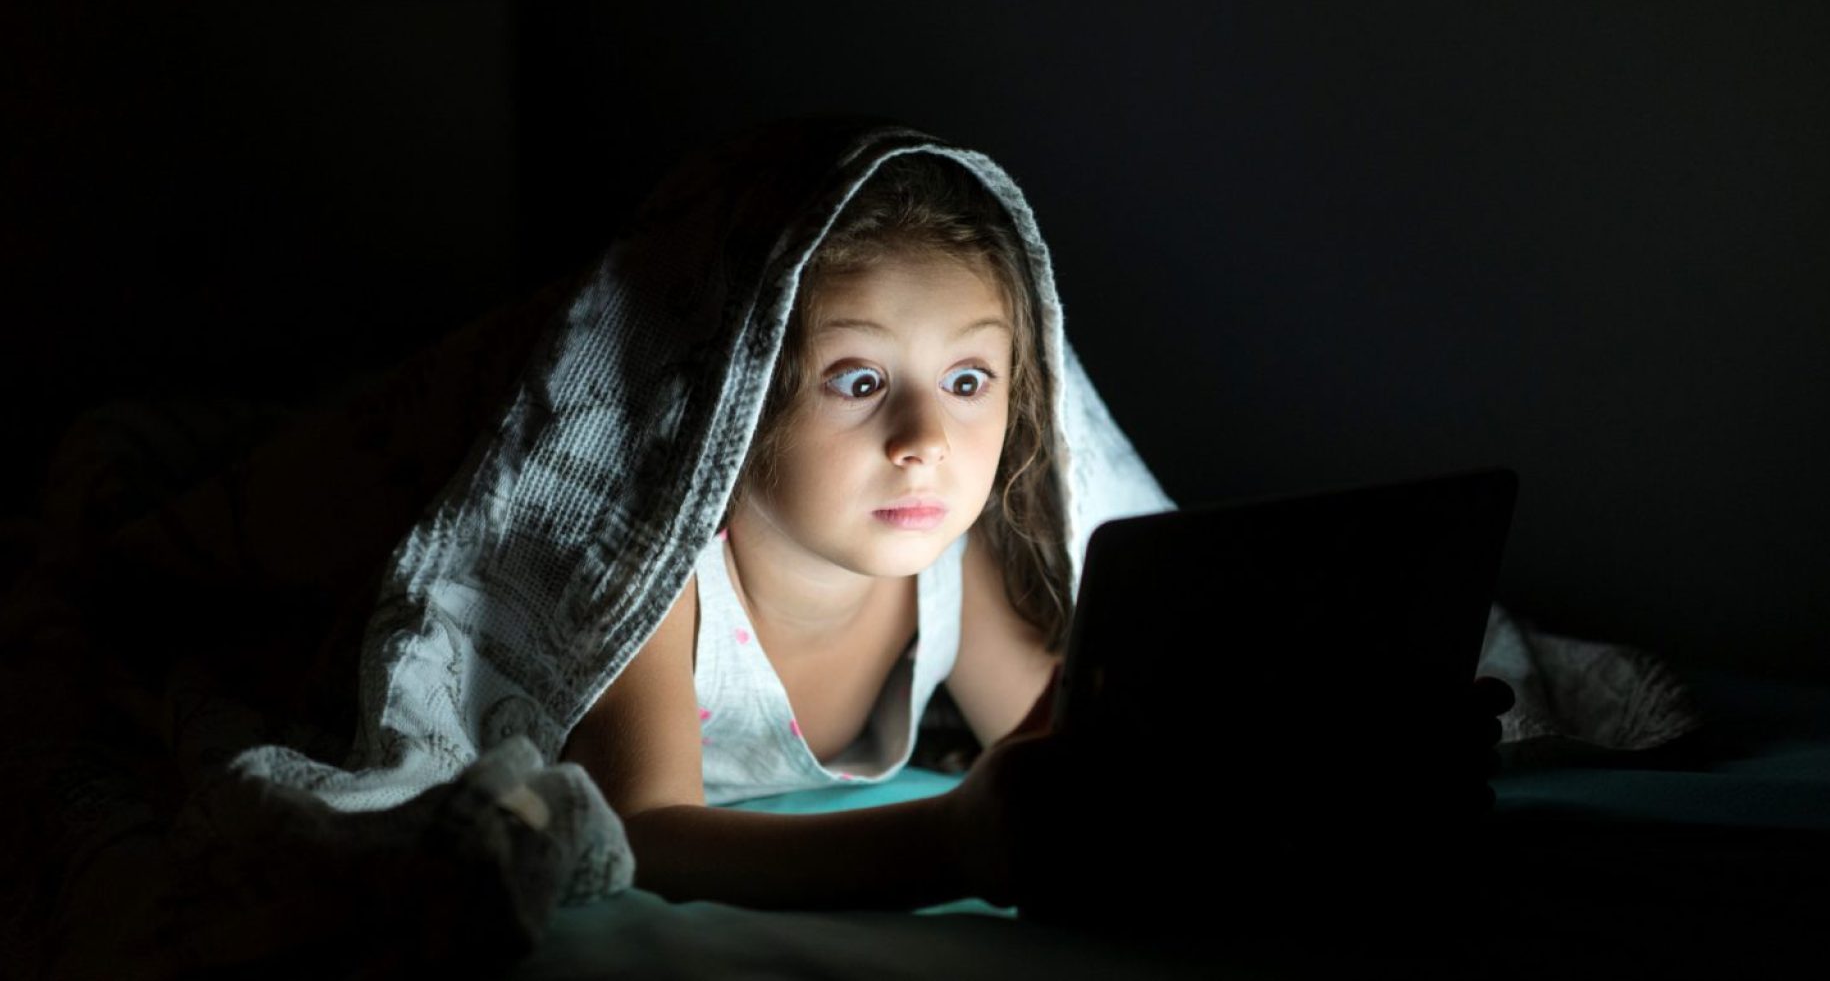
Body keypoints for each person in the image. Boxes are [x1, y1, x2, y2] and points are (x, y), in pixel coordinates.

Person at [557, 144, 1515, 915]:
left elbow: (1080, 752)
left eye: (968, 381)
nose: (925, 440)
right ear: (736, 388)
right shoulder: (660, 574)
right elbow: (645, 829)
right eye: (857, 379)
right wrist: (949, 845)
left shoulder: (945, 562)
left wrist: (1336, 758)